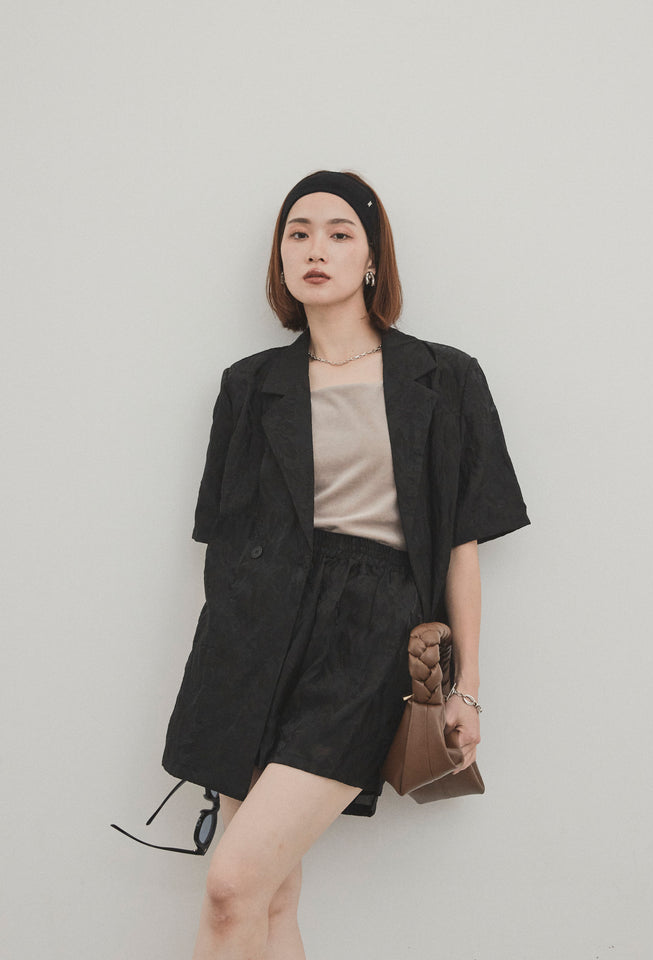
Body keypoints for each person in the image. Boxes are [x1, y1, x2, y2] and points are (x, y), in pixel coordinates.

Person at [161, 170, 530, 958]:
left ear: (372, 259)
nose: (315, 249)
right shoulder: (250, 386)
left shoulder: (444, 378)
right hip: (253, 637)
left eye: (338, 233)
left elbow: (461, 544)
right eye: (297, 234)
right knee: (268, 897)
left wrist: (465, 686)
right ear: (280, 258)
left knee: (230, 887)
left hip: (369, 637)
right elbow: (224, 541)